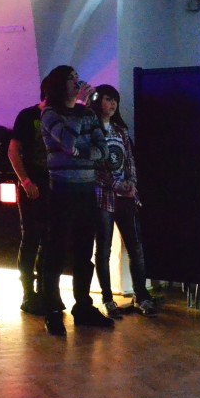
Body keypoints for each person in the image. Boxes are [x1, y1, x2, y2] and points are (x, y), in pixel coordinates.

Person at [38, 66, 112, 336]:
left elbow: (103, 150)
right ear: (60, 84)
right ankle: (52, 310)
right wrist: (80, 109)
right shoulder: (50, 113)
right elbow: (69, 142)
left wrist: (82, 151)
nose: (78, 82)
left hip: (86, 190)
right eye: (71, 78)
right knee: (56, 252)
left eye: (77, 77)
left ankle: (82, 307)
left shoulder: (88, 114)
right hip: (62, 190)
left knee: (84, 251)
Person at [86, 85, 157, 317]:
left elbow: (129, 161)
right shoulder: (91, 130)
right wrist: (116, 184)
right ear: (98, 102)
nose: (113, 104)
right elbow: (93, 166)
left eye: (115, 100)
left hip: (126, 197)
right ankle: (108, 299)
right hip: (103, 197)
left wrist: (132, 185)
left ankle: (141, 296)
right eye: (108, 99)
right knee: (103, 249)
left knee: (136, 247)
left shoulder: (120, 131)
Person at [8, 88, 50, 316]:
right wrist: (25, 181)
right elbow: (13, 151)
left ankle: (45, 290)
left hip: (54, 186)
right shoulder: (28, 115)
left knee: (49, 239)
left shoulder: (64, 115)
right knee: (32, 237)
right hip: (33, 185)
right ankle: (28, 293)